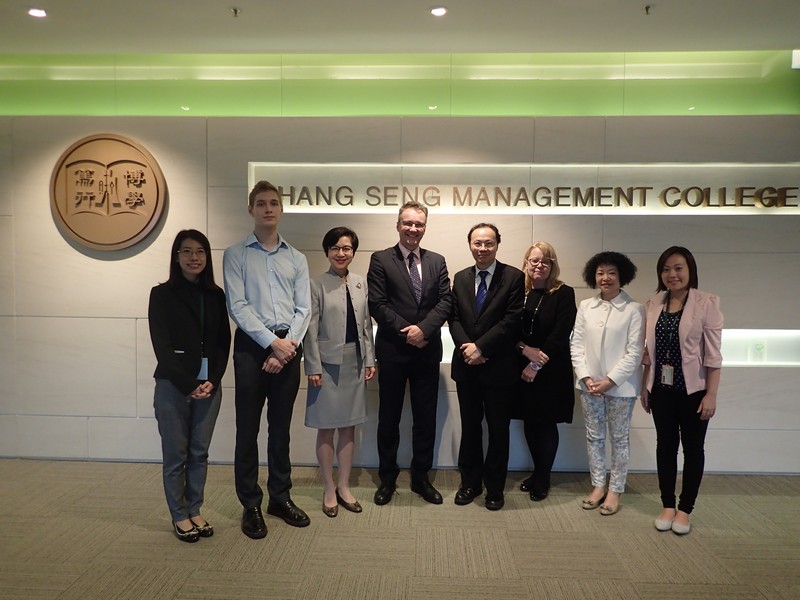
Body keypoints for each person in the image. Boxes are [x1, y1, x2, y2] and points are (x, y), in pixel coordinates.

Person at [223, 180, 312, 539]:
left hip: (289, 347)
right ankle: (250, 504)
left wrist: (286, 346)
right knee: (247, 429)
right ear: (251, 210)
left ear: (281, 209)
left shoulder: (297, 257)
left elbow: (304, 307)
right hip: (251, 347)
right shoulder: (235, 254)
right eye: (261, 203)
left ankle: (280, 497)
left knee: (280, 429)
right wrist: (271, 344)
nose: (268, 208)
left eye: (274, 203)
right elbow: (238, 306)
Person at [367, 201, 453, 506]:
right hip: (392, 352)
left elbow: (445, 301)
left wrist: (424, 330)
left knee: (425, 419)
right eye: (407, 223)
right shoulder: (380, 260)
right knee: (388, 419)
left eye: (418, 224)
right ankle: (387, 479)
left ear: (425, 227)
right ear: (398, 225)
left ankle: (421, 478)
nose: (413, 229)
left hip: (427, 353)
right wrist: (409, 331)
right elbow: (377, 304)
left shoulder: (437, 261)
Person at [148, 229, 231, 543]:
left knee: (199, 453)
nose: (194, 257)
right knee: (176, 454)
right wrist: (188, 385)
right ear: (176, 256)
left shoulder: (215, 295)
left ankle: (195, 508)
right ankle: (179, 515)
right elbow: (162, 345)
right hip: (172, 385)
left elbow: (223, 341)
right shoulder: (162, 294)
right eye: (187, 251)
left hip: (209, 386)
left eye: (200, 251)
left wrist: (212, 380)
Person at [641, 246, 723, 535]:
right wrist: (645, 385)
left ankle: (685, 509)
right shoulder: (654, 303)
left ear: (690, 270)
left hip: (694, 392)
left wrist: (711, 395)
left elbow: (713, 356)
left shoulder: (706, 303)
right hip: (661, 390)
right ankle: (667, 504)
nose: (671, 274)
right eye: (666, 269)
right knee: (665, 447)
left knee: (693, 449)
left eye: (678, 268)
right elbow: (648, 352)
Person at [449, 224, 525, 510]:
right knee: (470, 428)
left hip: (499, 367)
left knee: (497, 430)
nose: (483, 248)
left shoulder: (514, 277)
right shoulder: (460, 277)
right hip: (466, 366)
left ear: (497, 245)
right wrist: (468, 347)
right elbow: (453, 318)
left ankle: (495, 488)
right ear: (470, 244)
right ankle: (470, 483)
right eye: (477, 243)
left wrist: (481, 347)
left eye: (488, 243)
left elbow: (511, 320)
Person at [304, 227, 376, 518]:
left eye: (346, 248)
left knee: (349, 427)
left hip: (355, 363)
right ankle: (328, 488)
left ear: (353, 252)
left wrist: (370, 359)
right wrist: (313, 366)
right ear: (327, 252)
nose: (341, 253)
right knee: (326, 427)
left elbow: (366, 326)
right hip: (326, 366)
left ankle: (345, 486)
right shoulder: (316, 284)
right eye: (335, 248)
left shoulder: (360, 283)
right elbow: (310, 328)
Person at [570, 251, 645, 516]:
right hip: (588, 385)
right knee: (594, 437)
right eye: (601, 273)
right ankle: (598, 486)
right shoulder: (586, 307)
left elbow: (634, 352)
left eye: (611, 272)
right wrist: (586, 377)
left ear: (622, 276)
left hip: (621, 388)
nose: (606, 278)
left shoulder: (635, 310)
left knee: (619, 439)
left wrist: (610, 381)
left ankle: (616, 490)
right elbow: (576, 344)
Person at [515, 242, 576, 501]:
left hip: (551, 370)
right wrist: (523, 350)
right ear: (526, 263)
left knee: (546, 424)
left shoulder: (563, 293)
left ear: (552, 266)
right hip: (521, 367)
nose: (540, 265)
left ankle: (543, 476)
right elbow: (509, 330)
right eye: (535, 260)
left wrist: (536, 363)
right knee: (529, 421)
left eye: (546, 261)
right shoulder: (518, 292)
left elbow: (561, 333)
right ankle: (537, 472)